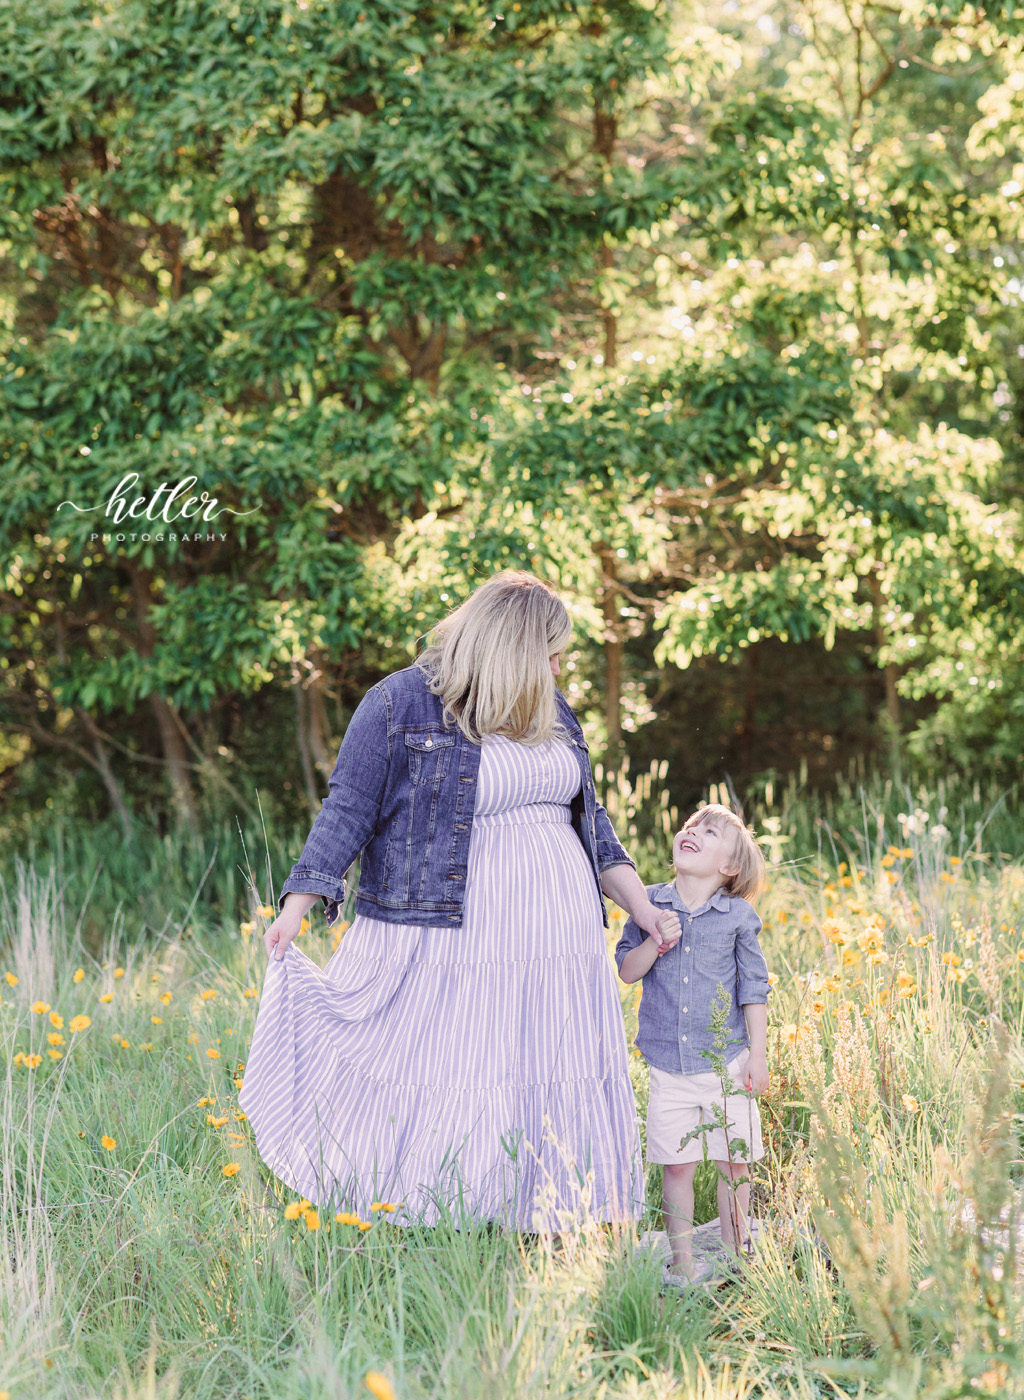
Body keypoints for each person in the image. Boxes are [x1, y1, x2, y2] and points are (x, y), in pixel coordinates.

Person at [238, 571, 671, 1230]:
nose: (561, 665)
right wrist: (299, 902)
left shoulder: (552, 711)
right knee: (461, 1067)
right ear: (514, 646)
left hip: (556, 944)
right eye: (552, 651)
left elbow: (593, 823)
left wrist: (642, 908)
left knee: (546, 1069)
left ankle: (561, 1218)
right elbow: (348, 807)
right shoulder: (402, 703)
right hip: (455, 937)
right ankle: (456, 1216)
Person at [614, 802, 770, 1285]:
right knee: (676, 1167)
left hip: (728, 1062)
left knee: (734, 1162)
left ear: (729, 867)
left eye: (709, 832)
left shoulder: (738, 916)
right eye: (689, 827)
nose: (693, 832)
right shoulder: (649, 903)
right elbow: (626, 970)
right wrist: (654, 942)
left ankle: (736, 1253)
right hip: (667, 1065)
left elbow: (754, 988)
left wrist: (759, 1056)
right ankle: (682, 1262)